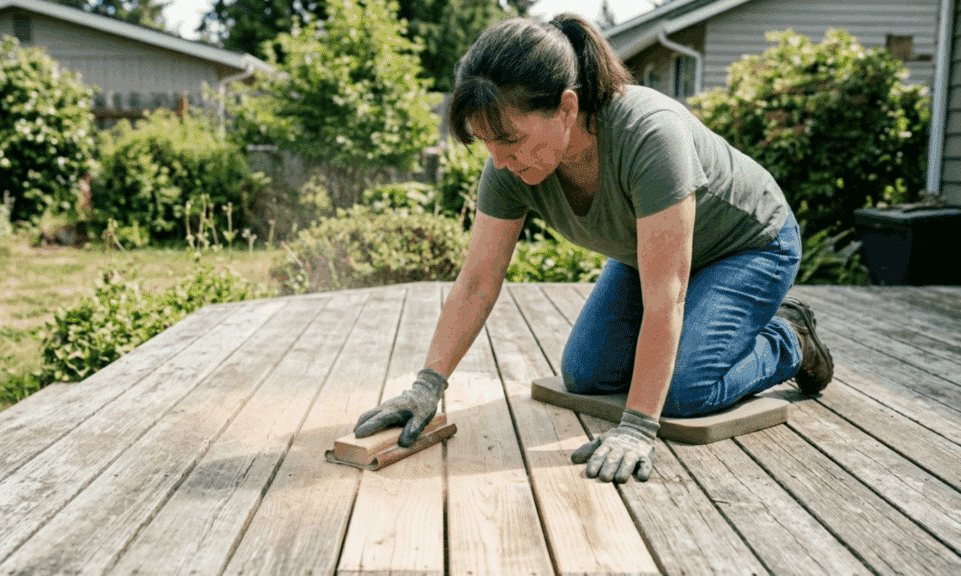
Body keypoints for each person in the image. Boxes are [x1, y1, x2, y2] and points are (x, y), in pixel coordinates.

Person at [353, 13, 834, 484]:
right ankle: (712, 341)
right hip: (645, 254)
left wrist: (638, 426)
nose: (498, 159)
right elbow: (478, 279)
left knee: (684, 393)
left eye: (510, 139)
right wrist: (427, 385)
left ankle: (789, 338)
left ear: (566, 107)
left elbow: (666, 295)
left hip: (749, 248)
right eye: (485, 142)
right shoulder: (509, 165)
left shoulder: (650, 135)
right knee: (585, 373)